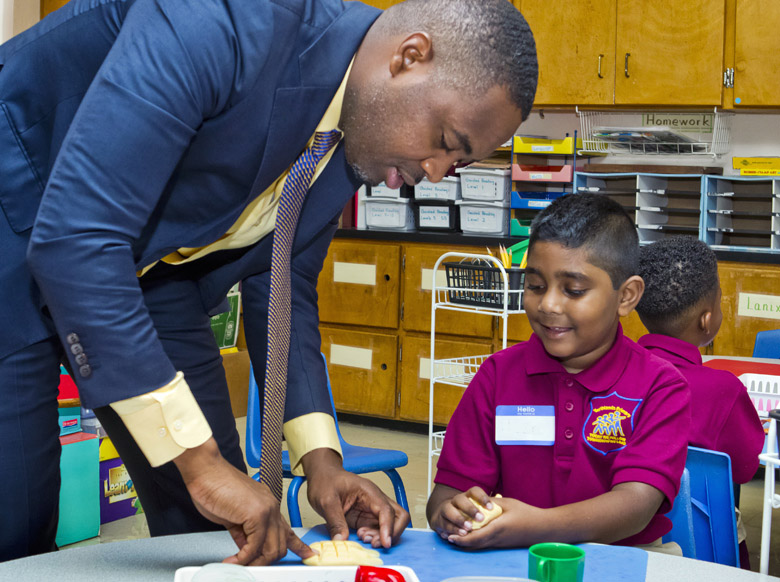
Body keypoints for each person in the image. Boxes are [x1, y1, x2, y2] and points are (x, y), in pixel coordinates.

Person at [0, 0, 538, 564]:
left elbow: (284, 288)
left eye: (457, 165)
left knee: (218, 523)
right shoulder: (221, 21)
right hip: (22, 214)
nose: (433, 173)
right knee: (17, 517)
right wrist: (197, 460)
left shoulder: (352, 140)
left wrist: (321, 459)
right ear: (410, 57)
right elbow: (79, 236)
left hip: (152, 271)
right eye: (447, 139)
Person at [426, 193, 691, 551]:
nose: (548, 304)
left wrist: (536, 527)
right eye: (535, 286)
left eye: (574, 290)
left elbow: (635, 506)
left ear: (626, 296)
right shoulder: (497, 375)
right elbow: (445, 495)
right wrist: (451, 513)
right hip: (514, 553)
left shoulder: (660, 385)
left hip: (625, 556)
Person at [635, 235, 765, 568]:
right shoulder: (724, 388)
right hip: (709, 550)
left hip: (628, 540)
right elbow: (746, 467)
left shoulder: (616, 375)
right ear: (707, 319)